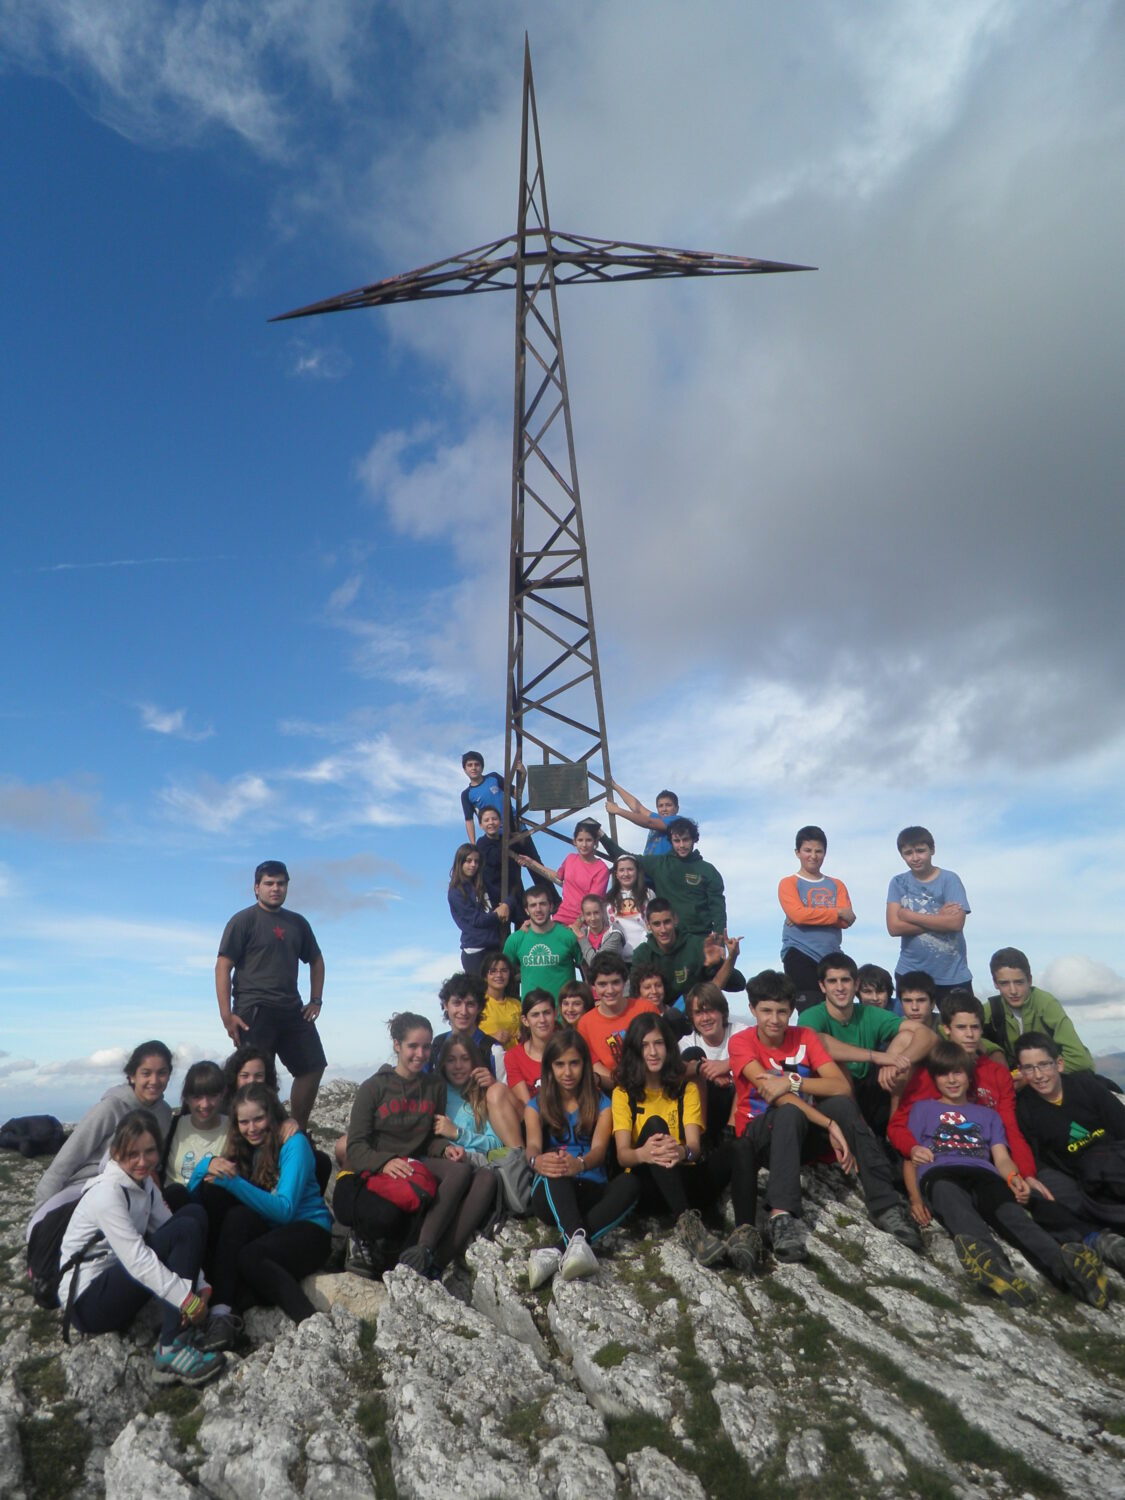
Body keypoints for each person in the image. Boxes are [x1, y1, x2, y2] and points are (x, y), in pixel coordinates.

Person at [725, 971, 921, 1267]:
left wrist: (793, 1082)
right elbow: (774, 1095)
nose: (774, 1020)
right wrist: (827, 1124)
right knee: (788, 1111)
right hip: (761, 1135)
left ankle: (885, 1205)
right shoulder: (742, 1042)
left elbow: (839, 1086)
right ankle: (781, 1216)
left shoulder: (804, 1037)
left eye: (782, 1011)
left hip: (802, 1132)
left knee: (842, 1105)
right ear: (752, 1010)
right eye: (765, 1011)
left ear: (792, 1011)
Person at [904, 1042, 1109, 1309]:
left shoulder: (987, 1115)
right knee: (957, 1209)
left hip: (983, 1173)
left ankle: (1071, 1273)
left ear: (969, 1077)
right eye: (944, 1074)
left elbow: (1000, 1156)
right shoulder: (922, 1109)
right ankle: (998, 1270)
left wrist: (1013, 1177)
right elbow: (910, 1157)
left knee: (1016, 1219)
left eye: (958, 1073)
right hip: (940, 1173)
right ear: (935, 1078)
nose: (952, 1080)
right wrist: (915, 1199)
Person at [59, 1110, 223, 1387]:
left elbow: (170, 1228)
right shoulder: (106, 1193)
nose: (142, 1161)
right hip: (87, 1303)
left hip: (115, 1282)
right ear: (115, 1152)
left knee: (193, 1215)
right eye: (132, 1153)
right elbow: (138, 1261)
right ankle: (171, 1348)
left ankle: (180, 1331)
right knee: (186, 1226)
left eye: (149, 1152)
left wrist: (201, 1285)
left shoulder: (144, 1184)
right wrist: (187, 1300)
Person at [335, 1014, 498, 1280]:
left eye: (426, 1047)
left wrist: (445, 1148)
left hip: (415, 1163)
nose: (420, 1054)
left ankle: (429, 1257)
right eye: (413, 1046)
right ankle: (407, 1251)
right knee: (387, 1215)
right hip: (375, 1171)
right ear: (397, 1045)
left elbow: (429, 1138)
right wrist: (385, 1162)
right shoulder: (373, 1088)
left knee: (478, 1175)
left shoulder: (434, 1086)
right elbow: (355, 1147)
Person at [188, 1083, 332, 1332]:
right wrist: (205, 1166)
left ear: (272, 1116)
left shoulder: (293, 1144)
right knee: (235, 1216)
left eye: (258, 1119)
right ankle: (222, 1311)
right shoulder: (244, 1148)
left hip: (310, 1230)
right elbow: (194, 1196)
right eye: (244, 1122)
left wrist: (234, 1182)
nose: (251, 1128)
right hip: (272, 1231)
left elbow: (285, 1209)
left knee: (251, 1257)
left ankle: (311, 1323)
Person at [886, 992, 1047, 1197]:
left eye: (975, 1027)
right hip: (941, 1163)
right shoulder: (932, 1072)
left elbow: (1009, 1128)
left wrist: (1026, 1173)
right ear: (946, 1029)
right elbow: (898, 1125)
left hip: (991, 1161)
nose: (969, 1035)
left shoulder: (996, 1074)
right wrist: (912, 1148)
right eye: (961, 1028)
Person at [524, 1030, 641, 1287]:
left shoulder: (602, 1103)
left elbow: (599, 1150)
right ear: (550, 1067)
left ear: (585, 1065)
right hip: (553, 1191)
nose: (567, 1072)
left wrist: (581, 1164)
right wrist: (537, 1161)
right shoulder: (536, 1105)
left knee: (631, 1184)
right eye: (560, 1064)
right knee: (555, 1163)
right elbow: (532, 1145)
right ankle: (576, 1240)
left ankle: (557, 1250)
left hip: (591, 1186)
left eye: (574, 1063)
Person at [215, 861, 325, 1131]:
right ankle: (255, 1134)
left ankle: (294, 1129)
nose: (275, 888)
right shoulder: (243, 921)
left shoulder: (297, 923)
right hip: (254, 1009)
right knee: (255, 1078)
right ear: (256, 888)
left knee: (313, 1066)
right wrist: (226, 1015)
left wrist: (316, 1000)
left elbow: (316, 961)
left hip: (291, 1008)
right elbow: (223, 966)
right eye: (269, 883)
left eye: (281, 883)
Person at [612, 1013, 726, 1266]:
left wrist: (681, 1151)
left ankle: (745, 1236)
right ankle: (688, 1226)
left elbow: (695, 1148)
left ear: (669, 1047)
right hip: (646, 1185)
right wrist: (643, 1153)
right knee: (655, 1125)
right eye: (645, 1045)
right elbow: (622, 1155)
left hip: (681, 1175)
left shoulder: (687, 1089)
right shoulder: (623, 1093)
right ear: (634, 1050)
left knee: (740, 1148)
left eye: (659, 1043)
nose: (653, 1052)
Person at [800, 953, 933, 1135]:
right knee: (836, 1063)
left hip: (872, 1087)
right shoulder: (812, 1015)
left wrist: (894, 1062)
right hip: (834, 1095)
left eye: (845, 980)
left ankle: (895, 1129)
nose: (840, 987)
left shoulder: (869, 1013)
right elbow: (814, 1043)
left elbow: (925, 1034)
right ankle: (861, 1133)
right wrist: (878, 1056)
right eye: (832, 981)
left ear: (855, 985)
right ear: (822, 986)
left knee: (907, 1037)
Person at [34, 1041, 174, 1208]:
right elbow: (65, 1161)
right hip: (89, 1188)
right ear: (132, 1076)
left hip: (136, 1189)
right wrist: (40, 1213)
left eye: (162, 1073)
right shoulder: (110, 1108)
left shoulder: (164, 1114)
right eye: (146, 1073)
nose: (154, 1080)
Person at [1013, 1033, 1125, 1222]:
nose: (1038, 1075)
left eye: (1044, 1064)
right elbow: (1038, 1160)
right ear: (1020, 1071)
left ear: (1059, 1063)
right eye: (1029, 1068)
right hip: (1087, 1182)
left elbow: (1121, 1124)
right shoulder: (1024, 1110)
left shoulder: (1086, 1087)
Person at [885, 827, 972, 1000]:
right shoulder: (898, 882)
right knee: (913, 1027)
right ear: (902, 855)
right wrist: (939, 919)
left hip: (952, 974)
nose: (915, 858)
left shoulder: (949, 879)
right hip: (910, 972)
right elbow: (894, 928)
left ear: (932, 850)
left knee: (960, 1024)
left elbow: (955, 923)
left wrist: (910, 916)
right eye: (908, 853)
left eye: (920, 851)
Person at [606, 818, 726, 939]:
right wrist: (601, 835)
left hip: (700, 939)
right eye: (677, 841)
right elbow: (624, 857)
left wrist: (720, 942)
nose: (682, 845)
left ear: (694, 839)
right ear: (671, 841)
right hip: (668, 940)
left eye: (686, 840)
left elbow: (718, 912)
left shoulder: (708, 871)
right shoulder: (659, 864)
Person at [984, 948, 1095, 1076]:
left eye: (1019, 982)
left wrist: (1029, 1076)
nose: (1013, 990)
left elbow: (1080, 1060)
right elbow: (967, 1038)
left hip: (1052, 1080)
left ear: (1029, 980)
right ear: (995, 983)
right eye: (1004, 983)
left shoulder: (1046, 1004)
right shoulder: (990, 1011)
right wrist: (994, 1050)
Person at [777, 825, 855, 1009]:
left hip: (832, 956)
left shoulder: (837, 885)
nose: (813, 856)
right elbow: (798, 915)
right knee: (810, 1011)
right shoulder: (788, 883)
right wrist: (835, 912)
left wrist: (807, 914)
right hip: (799, 954)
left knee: (839, 1009)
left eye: (818, 851)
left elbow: (847, 920)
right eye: (807, 850)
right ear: (797, 852)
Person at [629, 899, 744, 1006]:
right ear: (648, 925)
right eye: (657, 924)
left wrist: (719, 963)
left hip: (695, 1015)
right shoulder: (642, 954)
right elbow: (634, 997)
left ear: (675, 919)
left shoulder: (697, 946)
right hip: (658, 1020)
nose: (663, 929)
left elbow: (738, 984)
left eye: (667, 922)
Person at [678, 982, 750, 1147]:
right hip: (706, 1104)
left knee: (746, 1068)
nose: (705, 1018)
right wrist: (709, 1074)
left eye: (710, 1010)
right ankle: (699, 1140)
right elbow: (674, 1073)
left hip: (737, 1103)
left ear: (722, 1011)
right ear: (691, 1017)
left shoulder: (740, 1032)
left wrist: (727, 1064)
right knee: (693, 1055)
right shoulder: (687, 1042)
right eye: (698, 1013)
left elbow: (761, 1056)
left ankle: (731, 1136)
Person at [577, 952, 660, 1089]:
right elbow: (594, 1066)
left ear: (624, 982)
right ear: (593, 987)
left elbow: (660, 1052)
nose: (610, 990)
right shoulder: (585, 1023)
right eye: (602, 984)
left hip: (651, 1083)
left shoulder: (645, 1009)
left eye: (615, 982)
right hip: (613, 1090)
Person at [516, 819, 610, 927]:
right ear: (574, 841)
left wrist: (576, 925)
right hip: (562, 916)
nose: (584, 844)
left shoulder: (601, 869)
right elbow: (557, 876)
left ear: (595, 842)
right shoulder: (570, 859)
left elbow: (593, 904)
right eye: (580, 840)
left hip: (587, 921)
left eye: (588, 840)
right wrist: (532, 862)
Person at [160, 1062, 228, 1210]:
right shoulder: (173, 1126)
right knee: (176, 1192)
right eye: (197, 1097)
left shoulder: (234, 1129)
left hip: (213, 1208)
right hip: (175, 1207)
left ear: (223, 1094)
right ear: (186, 1097)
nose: (205, 1104)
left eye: (212, 1096)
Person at [503, 884, 582, 1002]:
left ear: (551, 906)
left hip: (564, 1015)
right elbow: (500, 974)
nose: (538, 909)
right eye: (533, 905)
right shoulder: (515, 940)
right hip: (532, 1015)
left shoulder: (568, 936)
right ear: (526, 910)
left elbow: (587, 970)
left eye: (542, 904)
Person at [434, 1038, 507, 1156]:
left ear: (474, 1062)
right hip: (444, 1164)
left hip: (477, 1164)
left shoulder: (483, 1094)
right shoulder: (436, 1093)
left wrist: (458, 1133)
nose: (458, 1066)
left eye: (465, 1059)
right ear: (443, 1064)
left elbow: (496, 1143)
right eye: (451, 1060)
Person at [447, 844, 506, 975]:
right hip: (475, 951)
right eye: (468, 861)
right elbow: (476, 920)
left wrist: (506, 905)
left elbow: (503, 895)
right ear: (460, 862)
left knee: (497, 993)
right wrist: (497, 915)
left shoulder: (483, 884)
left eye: (476, 861)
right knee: (480, 994)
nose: (473, 865)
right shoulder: (456, 891)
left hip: (494, 947)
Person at [604, 782, 689, 857]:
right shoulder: (657, 818)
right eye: (661, 806)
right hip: (648, 870)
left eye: (668, 805)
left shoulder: (676, 822)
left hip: (662, 871)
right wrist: (614, 785)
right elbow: (638, 808)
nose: (664, 809)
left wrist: (618, 810)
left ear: (677, 808)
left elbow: (648, 822)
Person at [476, 806, 526, 929]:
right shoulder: (482, 843)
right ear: (480, 825)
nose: (491, 823)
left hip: (514, 891)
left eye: (494, 819)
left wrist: (519, 846)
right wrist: (510, 841)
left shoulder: (507, 840)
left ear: (500, 821)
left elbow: (521, 852)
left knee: (524, 926)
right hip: (495, 896)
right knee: (502, 934)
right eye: (486, 820)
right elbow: (496, 858)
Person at [505, 990, 558, 1104]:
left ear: (555, 1014)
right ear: (525, 1020)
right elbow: (526, 1104)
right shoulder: (513, 1056)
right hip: (533, 1117)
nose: (542, 1020)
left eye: (547, 1013)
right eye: (535, 1015)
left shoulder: (569, 1049)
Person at [605, 854, 650, 958]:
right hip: (618, 958)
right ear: (616, 874)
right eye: (621, 870)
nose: (626, 874)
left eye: (630, 869)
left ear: (637, 872)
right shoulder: (608, 899)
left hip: (644, 955)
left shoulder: (648, 894)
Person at [478, 951, 523, 1048]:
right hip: (486, 1060)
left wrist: (524, 1034)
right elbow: (467, 1037)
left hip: (514, 1059)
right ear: (485, 976)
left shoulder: (517, 1004)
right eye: (493, 971)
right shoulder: (478, 1004)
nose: (499, 975)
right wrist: (491, 1038)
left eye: (504, 970)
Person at [574, 893, 626, 972]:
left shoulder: (614, 935)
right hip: (590, 983)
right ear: (583, 916)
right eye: (588, 914)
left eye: (596, 913)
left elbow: (597, 964)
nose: (593, 918)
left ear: (602, 912)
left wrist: (581, 938)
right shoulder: (583, 933)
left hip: (612, 982)